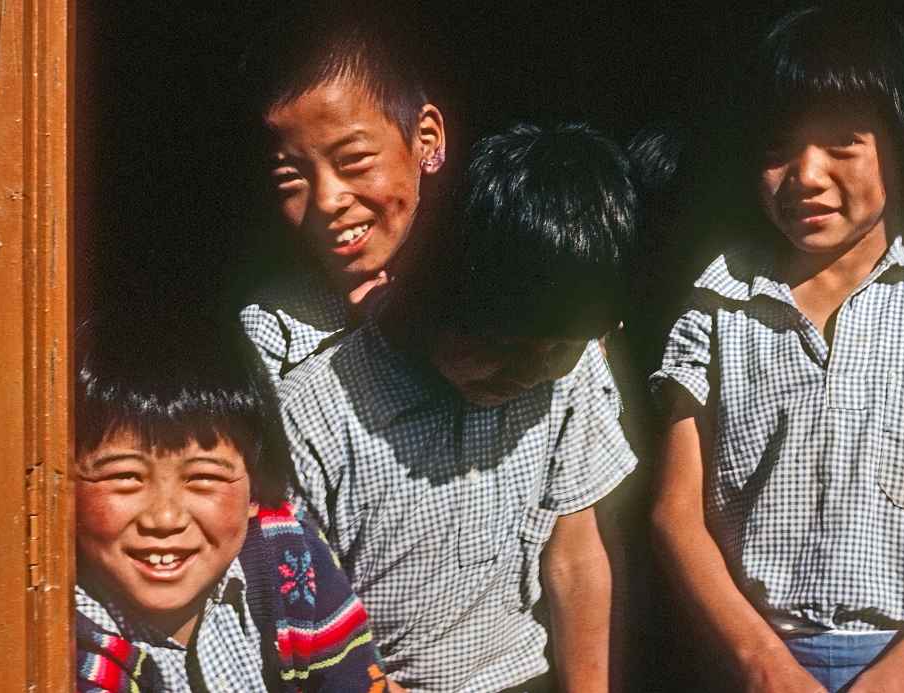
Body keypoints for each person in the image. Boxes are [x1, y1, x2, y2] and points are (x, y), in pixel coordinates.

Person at [649, 5, 904, 692]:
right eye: (781, 148)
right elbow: (675, 510)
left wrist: (903, 671)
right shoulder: (718, 304)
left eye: (842, 143)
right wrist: (761, 662)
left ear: (898, 146)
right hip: (750, 664)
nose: (807, 173)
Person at [278, 122, 639, 692]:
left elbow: (574, 557)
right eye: (496, 348)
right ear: (434, 291)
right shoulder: (313, 418)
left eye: (557, 352)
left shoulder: (569, 371)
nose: (525, 374)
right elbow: (299, 630)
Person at [73, 314, 388, 692]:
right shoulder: (67, 645)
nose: (165, 517)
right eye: (124, 476)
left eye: (204, 477)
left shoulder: (288, 557)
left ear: (256, 488)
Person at [238, 2, 448, 383]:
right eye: (290, 177)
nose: (326, 200)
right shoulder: (272, 330)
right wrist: (360, 345)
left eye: (354, 160)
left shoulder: (495, 285)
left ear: (427, 141)